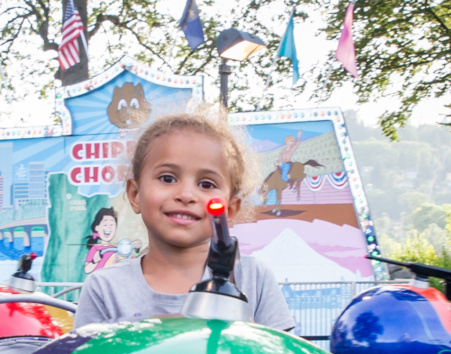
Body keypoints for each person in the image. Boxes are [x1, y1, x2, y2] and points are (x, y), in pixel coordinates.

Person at [73, 111, 295, 331]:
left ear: (229, 209)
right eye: (167, 178)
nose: (186, 195)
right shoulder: (105, 289)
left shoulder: (254, 279)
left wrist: (252, 334)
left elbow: (285, 353)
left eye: (206, 184)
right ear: (135, 194)